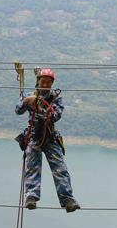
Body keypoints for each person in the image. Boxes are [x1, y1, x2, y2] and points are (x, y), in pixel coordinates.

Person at [16, 68, 79, 212]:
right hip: (34, 135)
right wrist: (26, 101)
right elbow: (18, 110)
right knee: (32, 167)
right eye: (42, 81)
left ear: (51, 84)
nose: (45, 84)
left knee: (60, 168)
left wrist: (42, 107)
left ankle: (67, 199)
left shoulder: (55, 97)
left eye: (48, 82)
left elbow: (56, 115)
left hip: (49, 135)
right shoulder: (28, 95)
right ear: (38, 81)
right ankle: (31, 197)